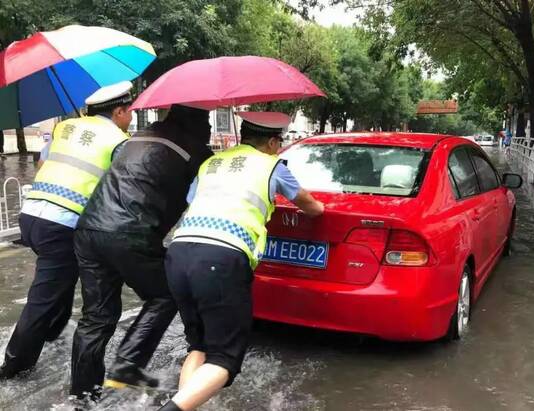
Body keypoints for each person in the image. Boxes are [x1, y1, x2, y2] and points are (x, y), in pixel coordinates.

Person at [159, 112, 324, 411]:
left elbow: (192, 200)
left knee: (198, 345)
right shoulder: (273, 165)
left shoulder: (211, 163)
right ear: (273, 142)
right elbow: (310, 206)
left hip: (178, 253)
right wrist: (320, 209)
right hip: (220, 260)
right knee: (224, 358)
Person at [70, 104, 213, 400]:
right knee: (167, 293)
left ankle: (82, 396)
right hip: (130, 233)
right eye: (208, 121)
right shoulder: (194, 149)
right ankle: (128, 363)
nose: (210, 129)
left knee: (95, 317)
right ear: (198, 123)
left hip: (89, 231)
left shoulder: (140, 135)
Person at [0, 81, 134, 380]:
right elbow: (122, 189)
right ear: (119, 110)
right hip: (61, 223)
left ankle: (52, 331)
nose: (131, 118)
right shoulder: (118, 140)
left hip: (31, 215)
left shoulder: (65, 127)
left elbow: (42, 162)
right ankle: (14, 366)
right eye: (130, 112)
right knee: (44, 296)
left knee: (60, 276)